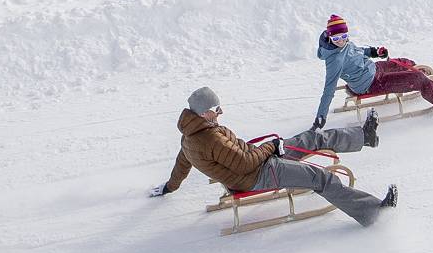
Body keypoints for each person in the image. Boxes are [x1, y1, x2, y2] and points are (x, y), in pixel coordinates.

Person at [150, 86, 397, 226]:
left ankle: (363, 136)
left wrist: (169, 187)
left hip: (256, 161)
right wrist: (271, 147)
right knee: (320, 178)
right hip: (255, 175)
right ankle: (372, 213)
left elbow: (180, 167)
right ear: (204, 113)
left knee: (310, 138)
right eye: (216, 109)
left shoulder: (191, 136)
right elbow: (245, 163)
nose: (221, 111)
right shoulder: (208, 138)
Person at [313, 12, 433, 127]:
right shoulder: (334, 60)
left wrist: (375, 52)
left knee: (404, 62)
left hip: (374, 69)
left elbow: (358, 51)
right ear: (330, 38)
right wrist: (321, 116)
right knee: (417, 79)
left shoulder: (345, 44)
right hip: (370, 84)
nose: (341, 41)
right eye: (336, 38)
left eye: (344, 36)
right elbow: (328, 90)